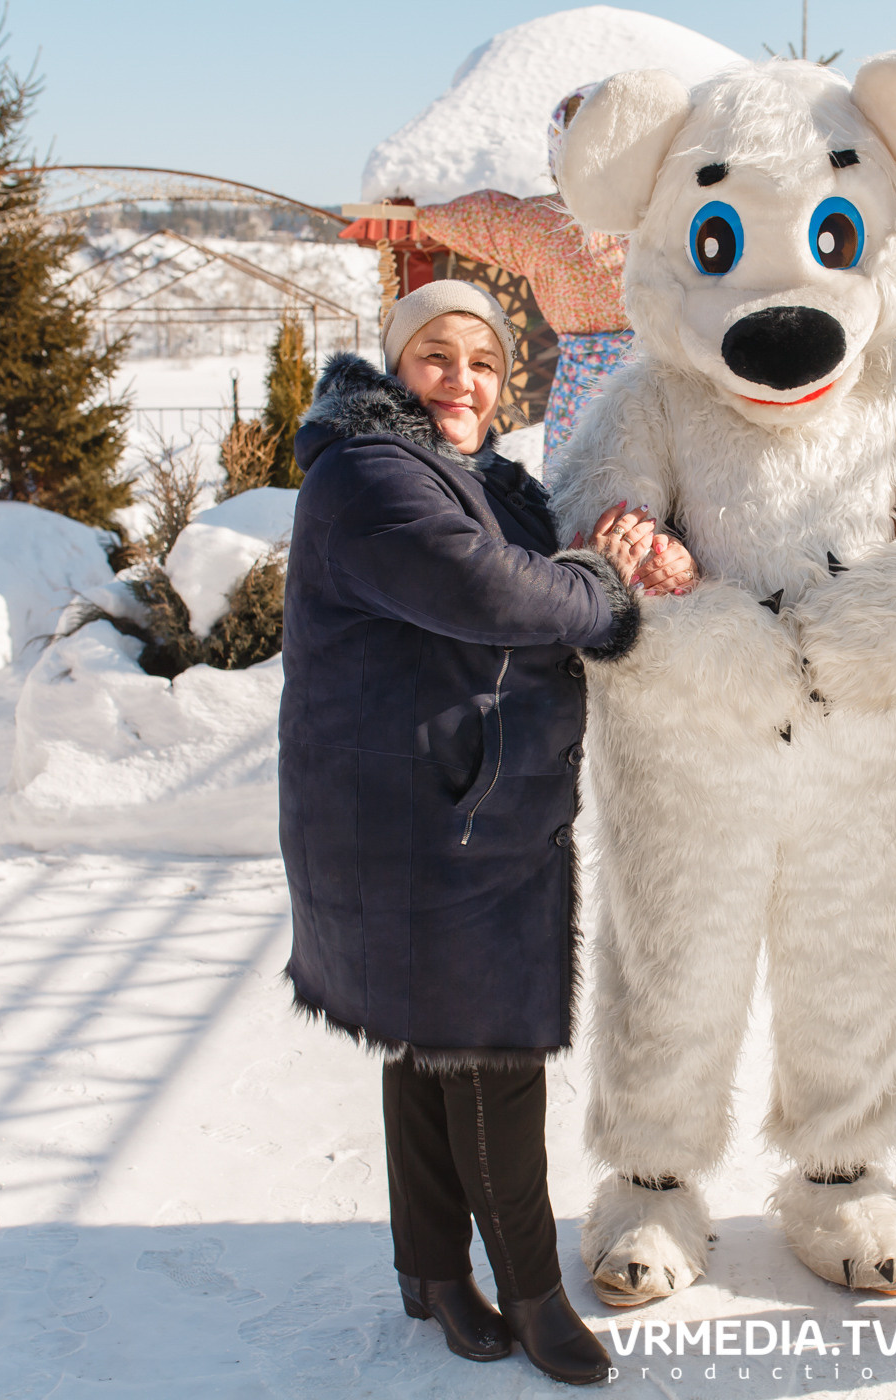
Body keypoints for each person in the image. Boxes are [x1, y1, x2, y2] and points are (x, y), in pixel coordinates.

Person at [278, 279, 694, 1387]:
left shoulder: (467, 472)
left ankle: (430, 1269)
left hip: (435, 805)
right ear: (395, 367)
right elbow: (492, 589)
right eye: (435, 355)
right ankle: (532, 1290)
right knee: (491, 1053)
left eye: (482, 360)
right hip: (426, 818)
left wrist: (619, 538)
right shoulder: (372, 475)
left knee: (426, 1044)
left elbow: (529, 547)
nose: (461, 378)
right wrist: (603, 593)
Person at [402, 86, 632, 464]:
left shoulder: (539, 224)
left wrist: (420, 216)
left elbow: (479, 219)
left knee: (571, 492)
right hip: (652, 388)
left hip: (579, 393)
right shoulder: (658, 223)